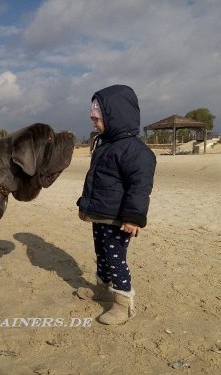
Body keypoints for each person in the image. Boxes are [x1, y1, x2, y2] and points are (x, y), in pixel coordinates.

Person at [76, 84, 156, 325]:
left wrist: (133, 217)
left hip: (119, 218)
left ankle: (123, 303)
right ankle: (102, 288)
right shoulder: (104, 144)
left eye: (97, 119)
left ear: (115, 116)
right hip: (100, 214)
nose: (93, 123)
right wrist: (85, 207)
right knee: (101, 254)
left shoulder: (136, 151)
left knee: (115, 258)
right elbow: (95, 182)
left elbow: (140, 188)